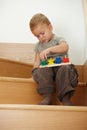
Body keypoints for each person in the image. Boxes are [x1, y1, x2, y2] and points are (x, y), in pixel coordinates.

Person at [29, 13, 78, 105]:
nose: (40, 37)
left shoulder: (58, 39)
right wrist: (33, 74)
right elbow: (36, 62)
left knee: (66, 69)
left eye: (42, 33)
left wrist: (50, 50)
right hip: (47, 72)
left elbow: (65, 47)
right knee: (40, 70)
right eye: (37, 36)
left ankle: (65, 98)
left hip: (61, 69)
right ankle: (47, 97)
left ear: (50, 27)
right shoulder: (38, 46)